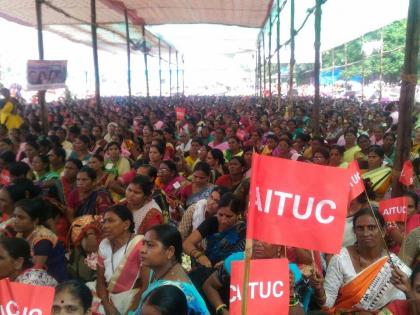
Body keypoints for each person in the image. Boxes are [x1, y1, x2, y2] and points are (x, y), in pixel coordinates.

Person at [309, 208, 411, 313]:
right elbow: (327, 304)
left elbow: (400, 304)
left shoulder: (394, 265)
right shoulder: (340, 259)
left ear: (383, 231)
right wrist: (319, 288)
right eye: (360, 228)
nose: (366, 233)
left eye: (371, 228)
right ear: (354, 231)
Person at [203, 241, 307, 315]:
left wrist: (290, 291)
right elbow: (209, 286)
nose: (258, 244)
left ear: (279, 246)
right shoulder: (237, 261)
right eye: (255, 238)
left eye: (266, 240)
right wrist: (222, 310)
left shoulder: (291, 272)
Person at [132, 224, 210, 315]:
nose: (142, 250)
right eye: (143, 244)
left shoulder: (175, 288)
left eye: (150, 245)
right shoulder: (161, 271)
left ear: (170, 251)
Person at [94, 205, 149, 315]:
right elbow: (100, 281)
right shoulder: (104, 244)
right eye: (104, 221)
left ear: (126, 224)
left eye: (110, 221)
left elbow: (146, 286)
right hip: (106, 296)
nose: (104, 226)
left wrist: (130, 312)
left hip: (131, 298)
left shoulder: (140, 244)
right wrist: (107, 304)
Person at [183, 193, 245, 268]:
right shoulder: (212, 222)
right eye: (220, 215)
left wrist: (227, 262)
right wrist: (199, 256)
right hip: (207, 266)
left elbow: (246, 254)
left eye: (229, 216)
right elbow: (186, 244)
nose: (223, 221)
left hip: (230, 269)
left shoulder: (242, 230)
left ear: (238, 215)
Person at [13, 198, 69, 282]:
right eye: (14, 216)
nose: (15, 221)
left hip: (52, 281)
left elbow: (35, 272)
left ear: (35, 220)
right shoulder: (22, 232)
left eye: (21, 218)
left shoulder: (43, 240)